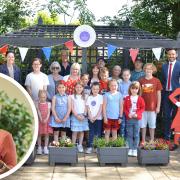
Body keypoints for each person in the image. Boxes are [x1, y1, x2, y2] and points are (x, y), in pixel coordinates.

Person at [139, 63, 162, 143]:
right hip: (143, 108)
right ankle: (143, 140)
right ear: (144, 70)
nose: (148, 70)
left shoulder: (156, 80)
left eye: (150, 69)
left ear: (153, 70)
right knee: (143, 125)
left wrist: (158, 107)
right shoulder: (141, 80)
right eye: (147, 69)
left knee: (152, 125)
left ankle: (152, 140)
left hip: (152, 108)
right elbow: (140, 94)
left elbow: (159, 94)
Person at [161, 49, 180, 142]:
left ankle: (177, 137)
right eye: (169, 54)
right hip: (166, 95)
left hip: (177, 95)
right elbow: (163, 80)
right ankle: (167, 137)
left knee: (177, 117)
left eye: (173, 54)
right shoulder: (164, 66)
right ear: (167, 55)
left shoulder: (179, 65)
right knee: (167, 116)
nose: (171, 56)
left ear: (176, 55)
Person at [124, 81, 145, 157]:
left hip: (137, 119)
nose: (134, 90)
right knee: (129, 134)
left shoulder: (140, 99)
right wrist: (128, 114)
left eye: (136, 88)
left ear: (138, 89)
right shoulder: (127, 98)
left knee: (136, 134)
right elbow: (125, 108)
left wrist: (137, 114)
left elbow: (142, 108)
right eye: (132, 88)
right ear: (130, 89)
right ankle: (130, 148)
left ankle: (135, 149)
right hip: (129, 119)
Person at [70, 81, 89, 153]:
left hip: (83, 116)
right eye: (77, 87)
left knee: (81, 131)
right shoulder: (71, 96)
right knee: (75, 132)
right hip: (75, 116)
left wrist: (84, 115)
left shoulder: (86, 96)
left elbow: (86, 106)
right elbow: (72, 107)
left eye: (80, 87)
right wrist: (77, 115)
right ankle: (73, 145)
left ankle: (80, 145)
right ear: (74, 88)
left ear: (83, 88)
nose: (79, 89)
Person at [86, 82, 103, 153]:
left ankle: (96, 147)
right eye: (94, 89)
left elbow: (100, 108)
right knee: (91, 133)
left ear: (99, 89)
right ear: (91, 89)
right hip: (90, 119)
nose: (95, 90)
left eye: (97, 89)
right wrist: (90, 117)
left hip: (98, 119)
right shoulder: (89, 97)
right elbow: (88, 108)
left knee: (98, 133)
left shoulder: (100, 97)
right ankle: (90, 147)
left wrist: (95, 117)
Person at [35, 90, 53, 155]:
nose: (43, 98)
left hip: (46, 120)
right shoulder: (37, 103)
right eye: (41, 97)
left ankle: (45, 147)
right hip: (40, 121)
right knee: (39, 134)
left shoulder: (48, 104)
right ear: (39, 97)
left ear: (46, 97)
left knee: (46, 134)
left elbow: (48, 112)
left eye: (44, 97)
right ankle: (39, 148)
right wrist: (41, 118)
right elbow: (38, 111)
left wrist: (46, 119)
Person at [119, 69, 131, 138]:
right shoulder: (120, 84)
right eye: (124, 75)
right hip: (122, 106)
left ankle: (128, 139)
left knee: (128, 124)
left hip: (129, 107)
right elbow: (119, 95)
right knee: (122, 124)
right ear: (122, 76)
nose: (126, 76)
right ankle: (122, 140)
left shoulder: (131, 84)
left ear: (130, 76)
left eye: (127, 75)